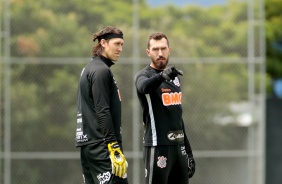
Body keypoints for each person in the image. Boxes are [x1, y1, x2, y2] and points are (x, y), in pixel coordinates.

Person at [134, 32, 196, 184]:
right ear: (148, 52)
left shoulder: (175, 77)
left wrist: (189, 152)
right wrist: (161, 76)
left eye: (163, 48)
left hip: (179, 147)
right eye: (155, 49)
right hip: (157, 146)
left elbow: (177, 117)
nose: (160, 53)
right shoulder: (143, 75)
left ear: (169, 50)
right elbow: (143, 87)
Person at [75, 26, 128, 184]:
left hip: (90, 144)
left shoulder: (90, 68)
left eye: (122, 45)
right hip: (102, 145)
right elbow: (102, 110)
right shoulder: (100, 71)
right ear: (103, 43)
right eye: (117, 44)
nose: (120, 49)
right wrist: (113, 147)